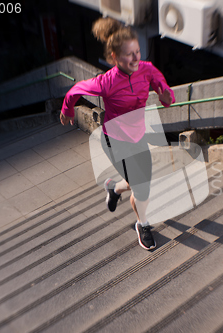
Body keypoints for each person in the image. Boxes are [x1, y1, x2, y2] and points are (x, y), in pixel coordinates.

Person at [60, 17, 175, 250]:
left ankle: (113, 187)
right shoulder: (106, 82)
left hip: (138, 138)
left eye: (138, 52)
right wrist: (66, 110)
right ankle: (143, 225)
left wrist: (166, 97)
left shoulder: (147, 70)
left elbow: (166, 93)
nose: (136, 58)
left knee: (138, 185)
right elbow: (74, 90)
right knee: (142, 188)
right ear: (114, 57)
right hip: (116, 142)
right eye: (129, 54)